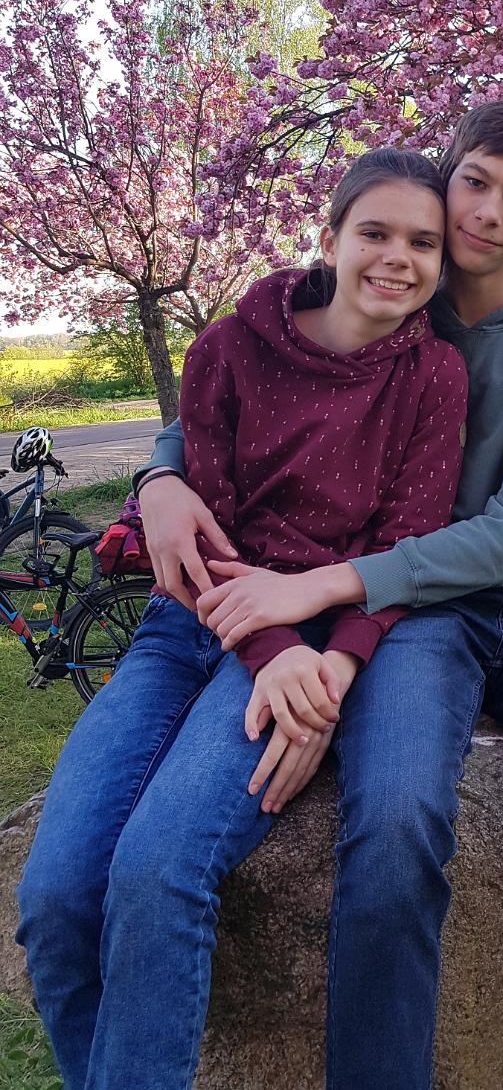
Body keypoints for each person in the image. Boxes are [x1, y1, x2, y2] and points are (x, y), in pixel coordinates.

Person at [119, 98, 503, 1090]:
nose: (486, 212)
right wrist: (160, 475)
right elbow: (246, 377)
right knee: (397, 822)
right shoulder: (394, 280)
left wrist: (322, 585)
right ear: (444, 176)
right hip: (417, 618)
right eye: (475, 183)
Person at [18, 149, 469, 1090]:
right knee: (56, 897)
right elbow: (209, 531)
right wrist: (269, 654)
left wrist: (331, 668)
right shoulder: (227, 348)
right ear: (329, 239)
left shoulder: (434, 374)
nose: (397, 258)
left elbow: (407, 542)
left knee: (158, 873)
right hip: (188, 626)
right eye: (374, 232)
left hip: (306, 633)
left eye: (423, 242)